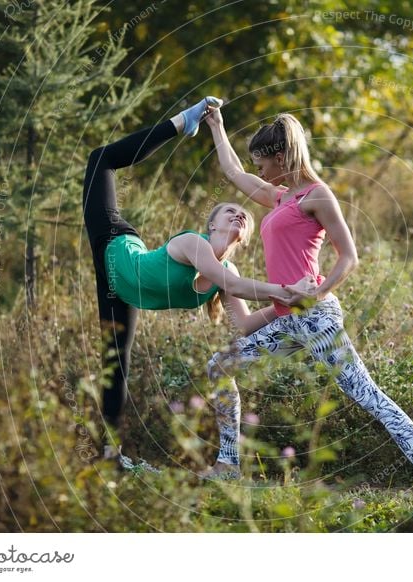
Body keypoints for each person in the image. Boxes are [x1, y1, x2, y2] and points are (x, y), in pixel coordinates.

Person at [203, 107, 413, 494]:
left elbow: (348, 256)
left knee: (368, 396)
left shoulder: (316, 196)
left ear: (280, 157)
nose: (259, 171)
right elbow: (233, 172)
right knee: (220, 366)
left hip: (316, 318)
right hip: (287, 322)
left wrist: (315, 293)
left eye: (262, 163)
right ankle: (228, 465)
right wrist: (216, 126)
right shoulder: (281, 197)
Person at [82, 96, 313, 472]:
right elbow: (227, 279)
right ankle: (180, 123)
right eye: (229, 210)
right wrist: (284, 291)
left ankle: (110, 458)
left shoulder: (231, 276)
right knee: (100, 159)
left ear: (245, 236)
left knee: (115, 362)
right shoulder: (195, 243)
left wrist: (288, 306)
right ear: (212, 226)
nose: (239, 211)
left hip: (121, 291)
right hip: (114, 243)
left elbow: (246, 323)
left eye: (244, 214)